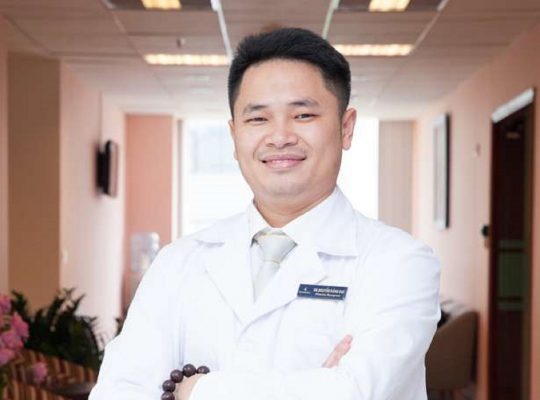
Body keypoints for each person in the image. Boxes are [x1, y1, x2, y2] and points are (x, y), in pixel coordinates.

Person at [90, 27, 440, 400]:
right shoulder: (179, 261)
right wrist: (315, 386)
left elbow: (356, 391)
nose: (280, 136)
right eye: (258, 119)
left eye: (303, 115)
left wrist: (196, 390)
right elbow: (117, 392)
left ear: (346, 128)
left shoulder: (400, 262)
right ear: (233, 135)